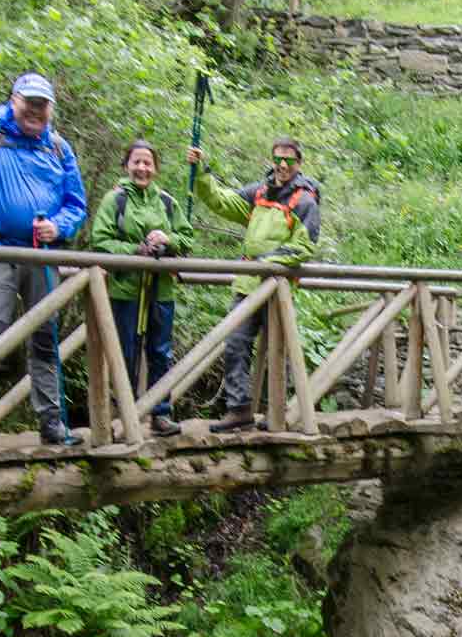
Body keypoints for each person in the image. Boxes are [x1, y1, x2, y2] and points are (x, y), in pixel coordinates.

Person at [0, 7, 89, 449]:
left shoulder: (58, 148)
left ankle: (51, 422)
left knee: (45, 337)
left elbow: (76, 204)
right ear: (14, 100)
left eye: (43, 105)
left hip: (41, 254)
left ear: (51, 109)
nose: (35, 111)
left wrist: (59, 227)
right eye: (29, 103)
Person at [185, 136, 320, 431]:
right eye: (278, 158)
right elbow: (221, 201)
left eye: (289, 160)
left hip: (277, 288)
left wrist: (266, 262)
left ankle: (278, 414)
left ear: (299, 163)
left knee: (277, 350)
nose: (282, 164)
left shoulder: (305, 202)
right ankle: (239, 409)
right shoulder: (259, 192)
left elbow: (304, 247)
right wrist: (202, 173)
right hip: (247, 285)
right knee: (235, 344)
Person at [89, 140, 193, 435]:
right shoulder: (115, 200)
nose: (142, 168)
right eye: (136, 162)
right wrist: (136, 250)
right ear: (126, 166)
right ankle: (124, 416)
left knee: (160, 352)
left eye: (148, 163)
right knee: (125, 353)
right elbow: (100, 241)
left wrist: (168, 240)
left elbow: (187, 239)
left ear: (156, 168)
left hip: (161, 289)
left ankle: (160, 414)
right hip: (125, 289)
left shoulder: (167, 203)